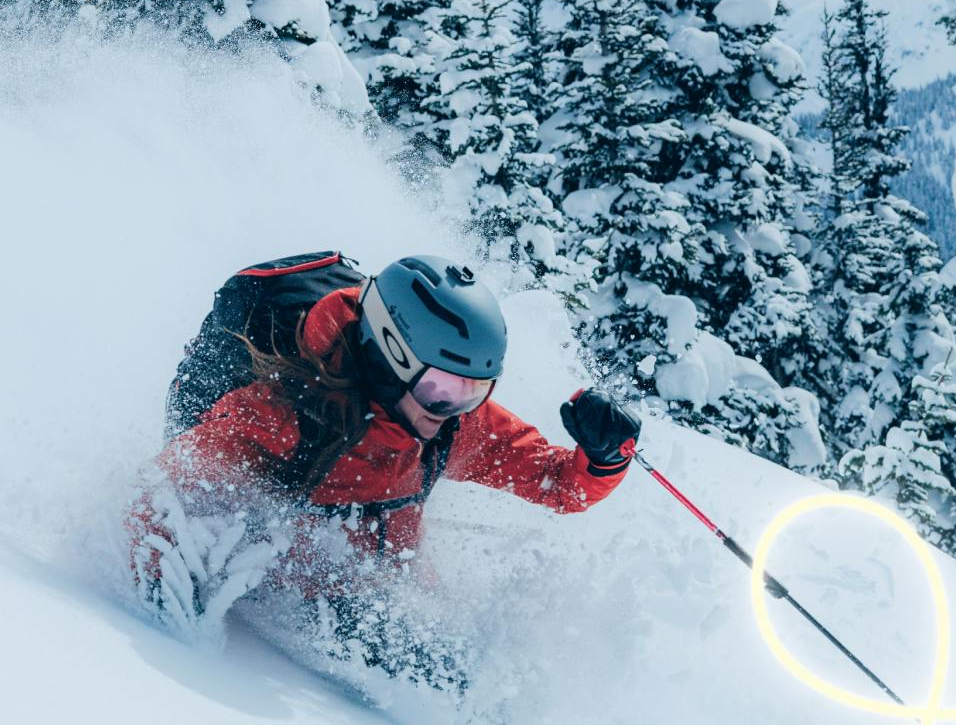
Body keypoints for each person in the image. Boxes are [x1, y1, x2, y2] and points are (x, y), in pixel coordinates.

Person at [129, 253, 640, 686]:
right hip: (293, 594)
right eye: (442, 387)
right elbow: (160, 496)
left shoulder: (450, 421)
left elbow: (561, 487)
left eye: (473, 392)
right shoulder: (280, 417)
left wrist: (605, 455)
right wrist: (171, 609)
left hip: (378, 587)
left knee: (470, 674)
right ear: (391, 353)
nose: (453, 409)